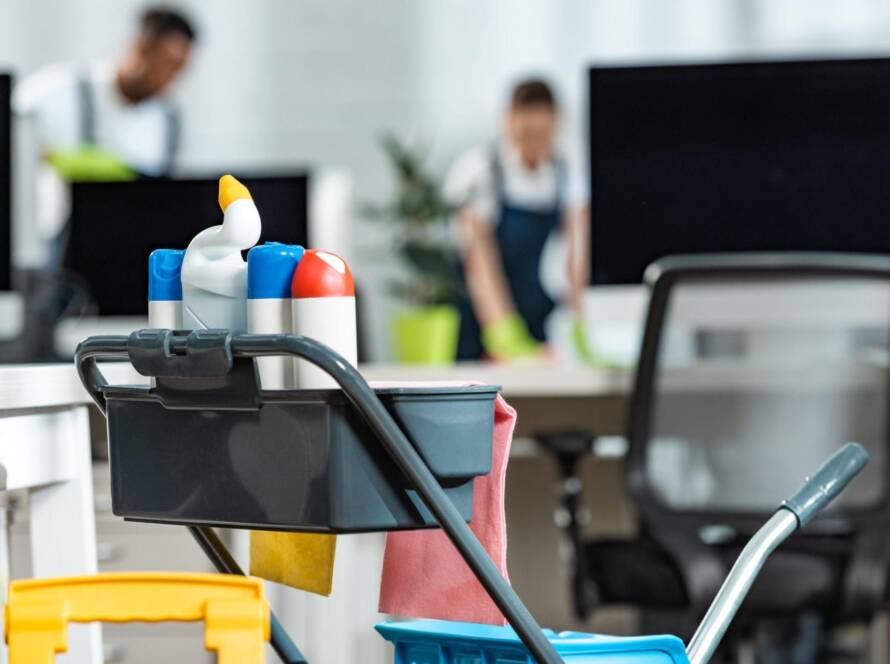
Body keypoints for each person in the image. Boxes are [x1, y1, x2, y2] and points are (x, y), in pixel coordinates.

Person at [445, 79, 590, 361]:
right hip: (481, 319)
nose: (536, 143)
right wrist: (503, 333)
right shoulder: (479, 170)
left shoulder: (565, 170)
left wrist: (581, 323)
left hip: (533, 319)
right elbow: (479, 262)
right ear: (508, 121)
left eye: (543, 133)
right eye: (528, 132)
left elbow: (577, 256)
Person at [13, 6, 197, 180]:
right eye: (169, 64)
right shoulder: (54, 92)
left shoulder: (168, 121)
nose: (172, 79)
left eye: (180, 69)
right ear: (141, 47)